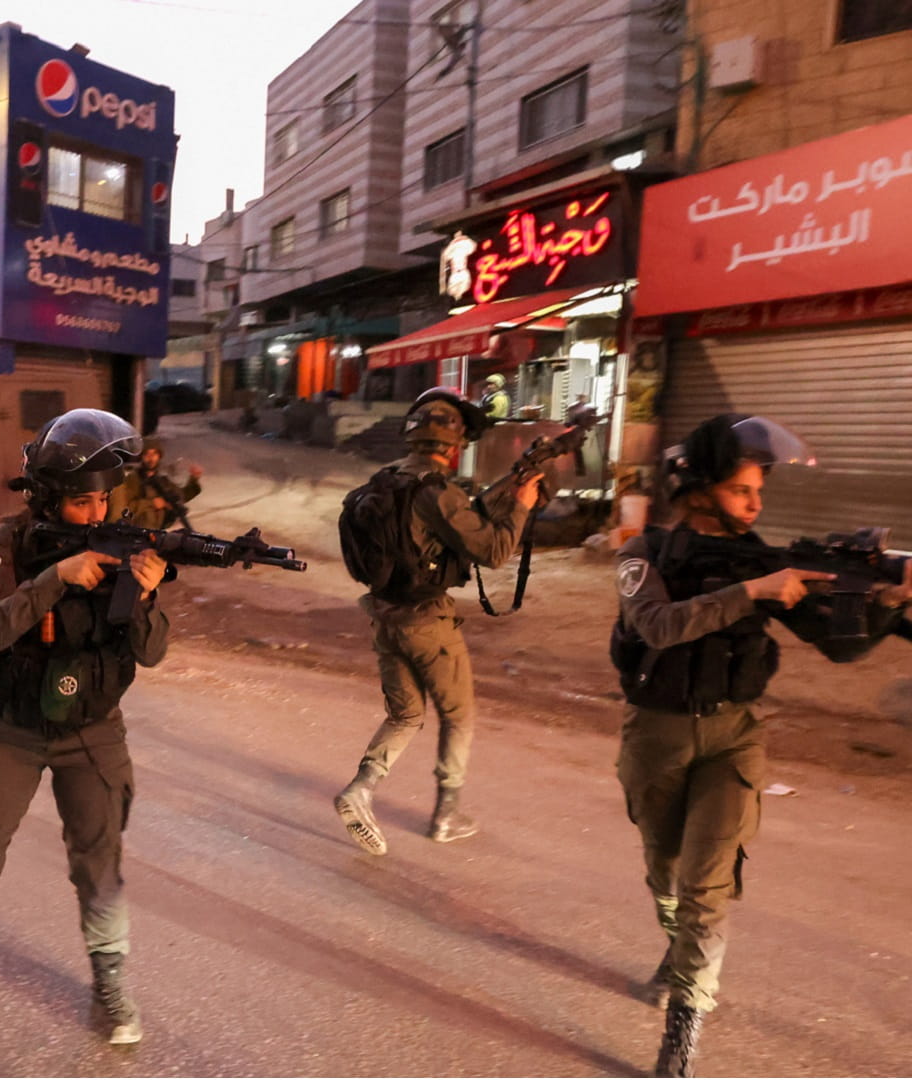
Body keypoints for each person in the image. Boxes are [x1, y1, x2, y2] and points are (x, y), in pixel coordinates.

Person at [610, 414, 910, 1077]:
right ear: (699, 489)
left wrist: (889, 603)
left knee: (707, 885)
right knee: (665, 873)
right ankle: (676, 950)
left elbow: (839, 646)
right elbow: (656, 626)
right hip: (656, 736)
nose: (756, 505)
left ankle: (683, 1028)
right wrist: (749, 593)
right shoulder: (642, 554)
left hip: (734, 737)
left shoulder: (767, 561)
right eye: (742, 490)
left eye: (759, 493)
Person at [0, 409, 169, 1077]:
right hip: (11, 730)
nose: (96, 511)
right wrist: (55, 579)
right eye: (81, 501)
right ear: (47, 498)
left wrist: (146, 596)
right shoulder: (9, 542)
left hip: (93, 732)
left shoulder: (122, 545)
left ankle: (109, 986)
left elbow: (152, 653)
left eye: (103, 498)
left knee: (99, 863)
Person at [332, 388, 541, 855]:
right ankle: (447, 814)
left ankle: (360, 789)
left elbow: (450, 526)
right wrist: (522, 503)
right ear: (454, 445)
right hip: (427, 622)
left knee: (406, 714)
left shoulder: (387, 480)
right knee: (458, 715)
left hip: (384, 614)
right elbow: (493, 551)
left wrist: (505, 491)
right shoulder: (437, 492)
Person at [108, 438, 202, 529]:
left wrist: (193, 480)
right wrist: (151, 503)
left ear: (159, 456)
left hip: (157, 531)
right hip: (137, 531)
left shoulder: (163, 480)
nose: (151, 458)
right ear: (142, 457)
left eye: (154, 454)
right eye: (147, 454)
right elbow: (124, 508)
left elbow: (181, 496)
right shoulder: (133, 480)